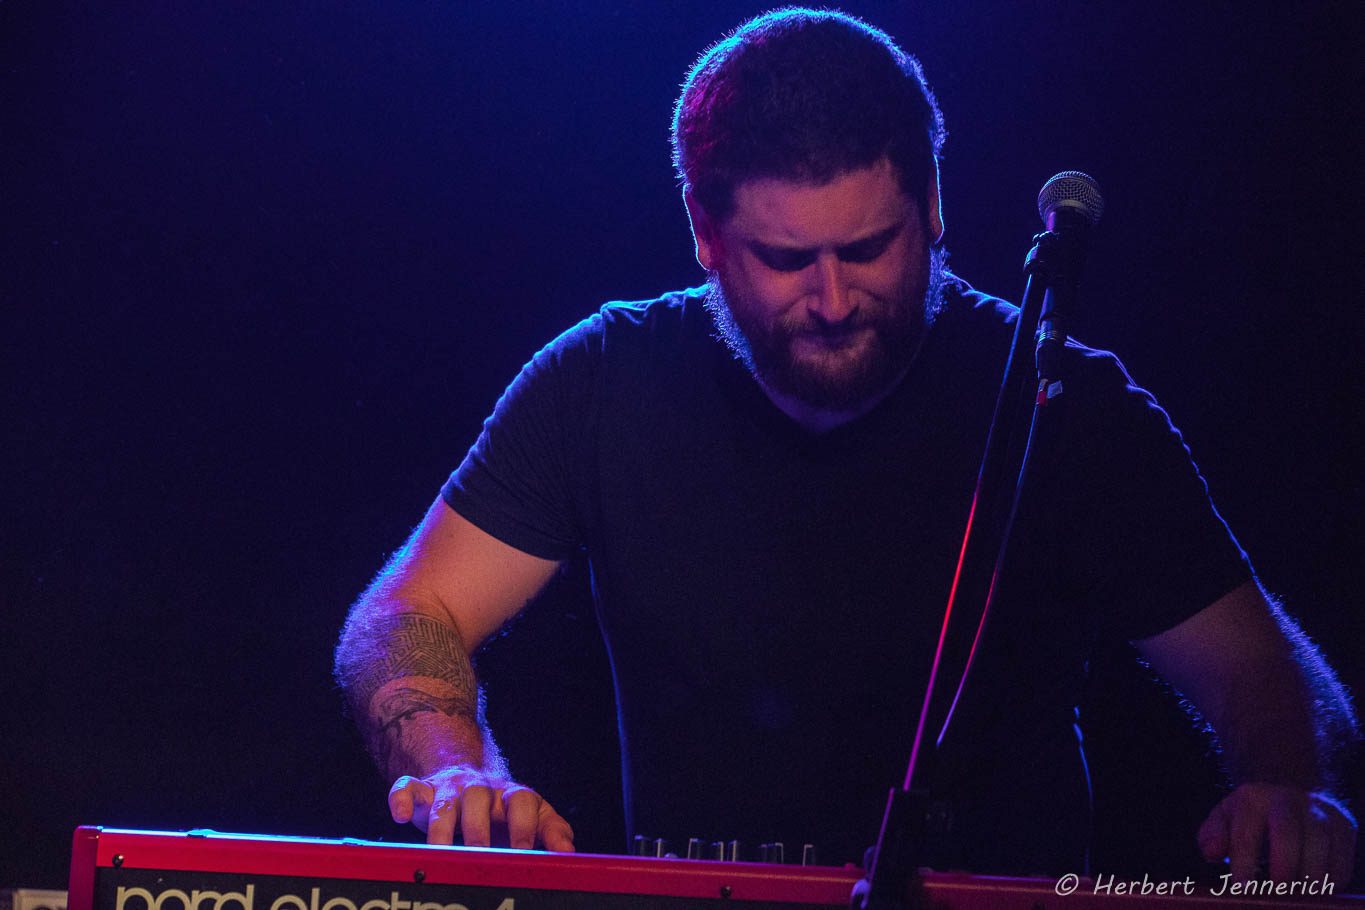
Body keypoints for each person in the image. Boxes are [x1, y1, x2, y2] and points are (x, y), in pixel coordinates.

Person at [335, 7, 1357, 882]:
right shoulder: (602, 382)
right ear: (705, 232)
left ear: (934, 207)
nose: (832, 300)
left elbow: (1257, 667)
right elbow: (405, 611)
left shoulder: (1062, 403)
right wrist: (455, 767)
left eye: (868, 248)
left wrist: (1290, 784)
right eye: (787, 260)